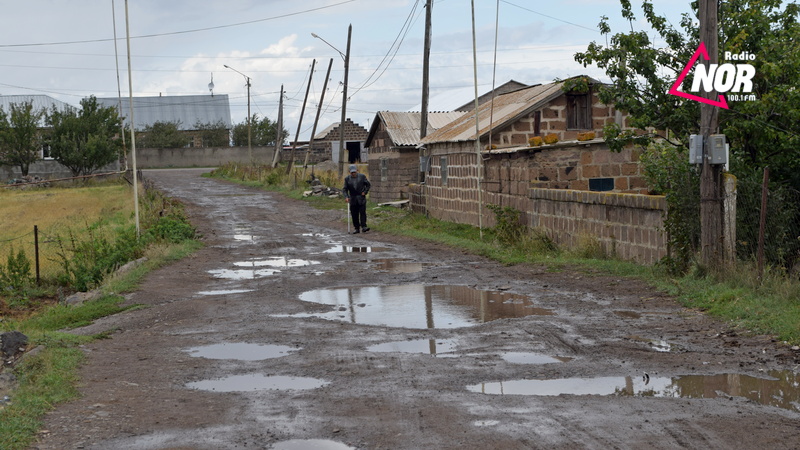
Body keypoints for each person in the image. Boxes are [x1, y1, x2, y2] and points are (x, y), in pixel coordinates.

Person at [343, 164, 371, 234]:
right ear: (349, 172)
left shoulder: (362, 176)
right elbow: (345, 189)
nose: (353, 173)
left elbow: (368, 185)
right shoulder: (347, 179)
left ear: (357, 171)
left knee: (362, 213)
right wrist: (346, 196)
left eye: (354, 172)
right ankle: (356, 228)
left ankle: (364, 226)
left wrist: (365, 192)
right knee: (354, 214)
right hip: (352, 198)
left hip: (361, 198)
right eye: (352, 172)